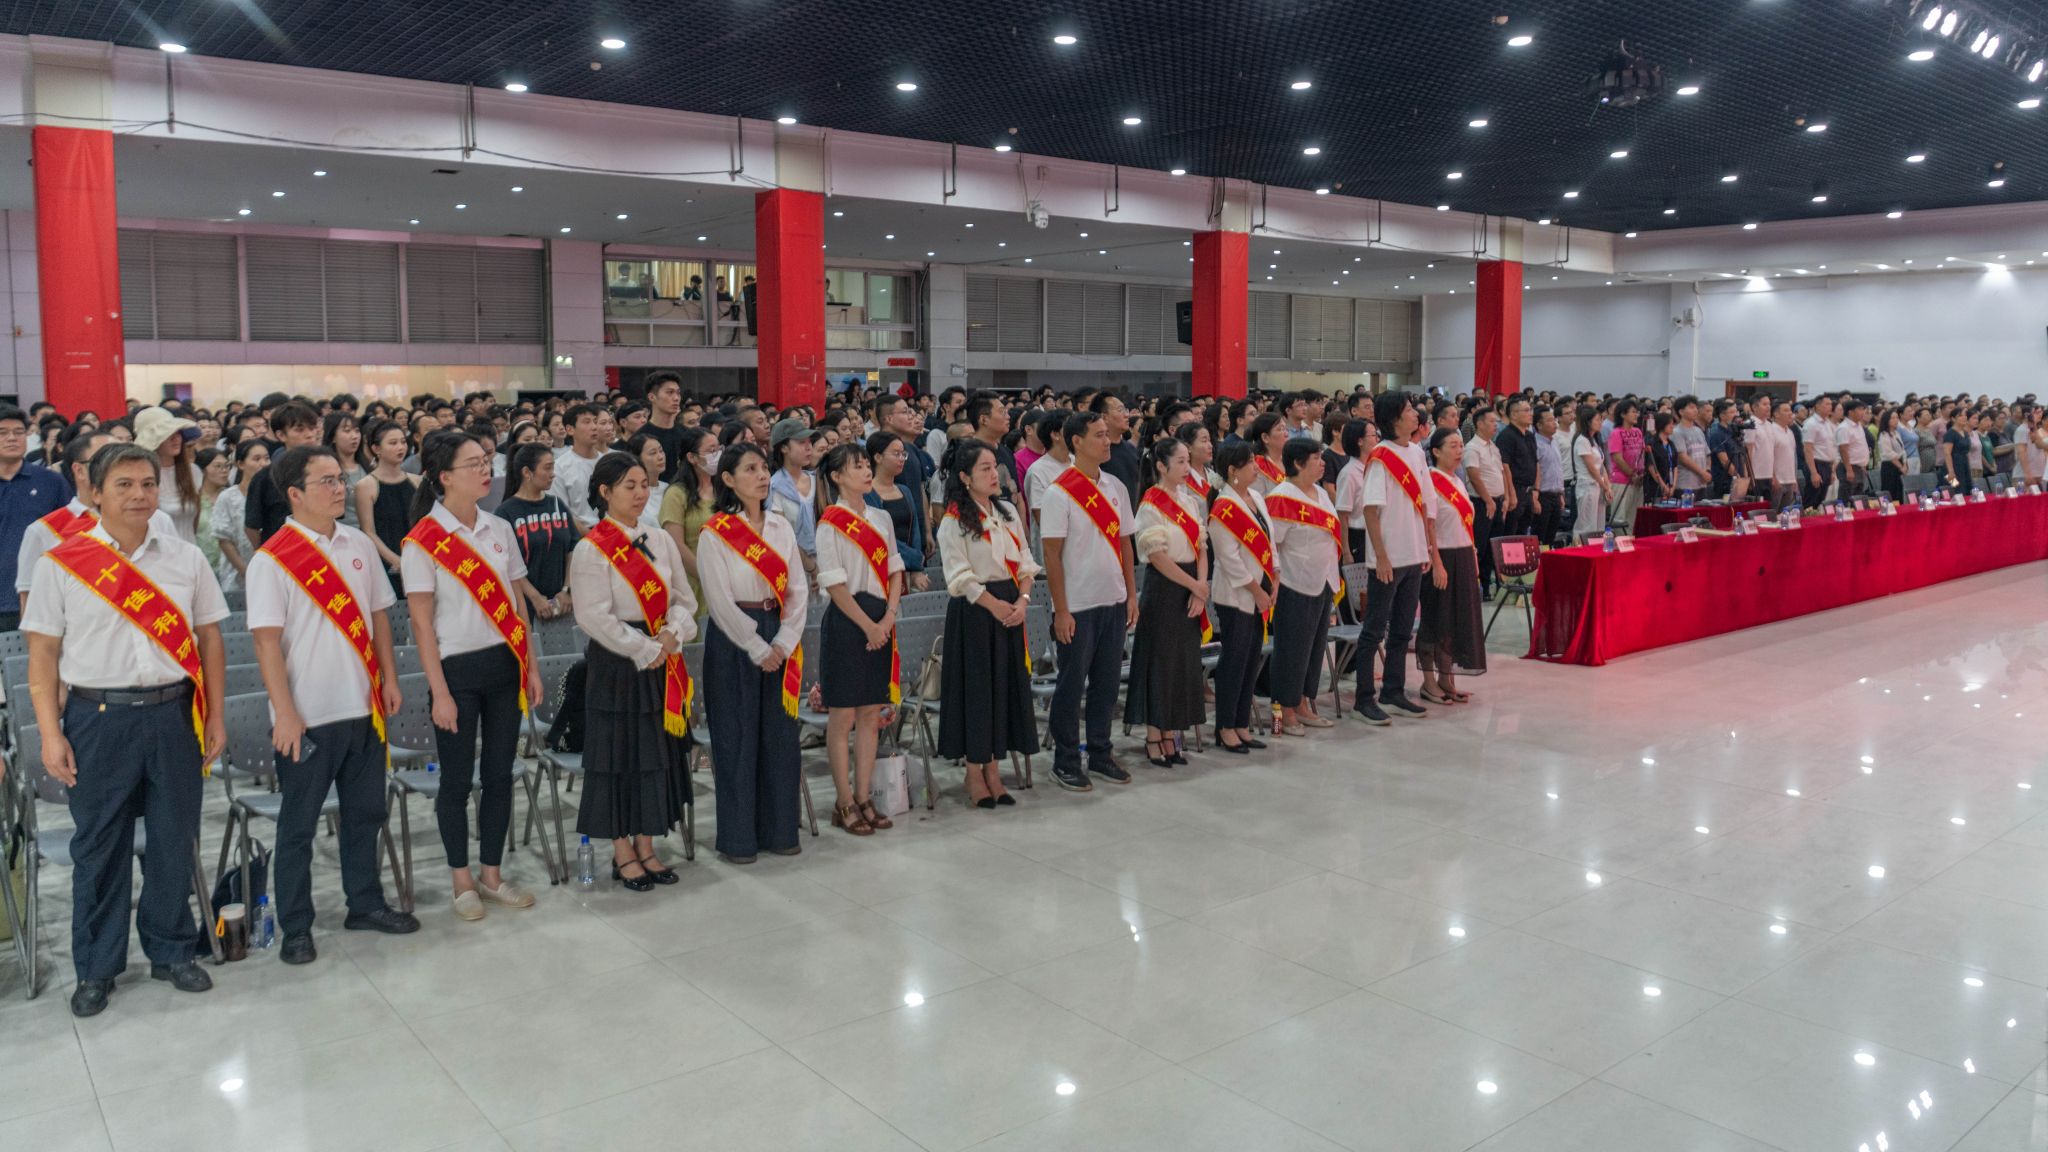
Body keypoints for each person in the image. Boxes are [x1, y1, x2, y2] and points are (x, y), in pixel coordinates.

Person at [24, 443, 229, 1017]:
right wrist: (50, 734)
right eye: (124, 485)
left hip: (174, 714)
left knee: (172, 838)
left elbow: (210, 638)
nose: (140, 494)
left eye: (147, 484)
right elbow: (42, 656)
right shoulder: (62, 564)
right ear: (95, 492)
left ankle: (171, 949)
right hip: (97, 719)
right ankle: (97, 967)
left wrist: (215, 713)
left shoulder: (186, 558)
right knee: (100, 847)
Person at [247, 445, 416, 966]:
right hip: (306, 717)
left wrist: (389, 679)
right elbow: (266, 643)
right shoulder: (272, 559)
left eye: (340, 479)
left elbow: (380, 616)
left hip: (362, 707)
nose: (340, 488)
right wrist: (285, 712)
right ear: (295, 494)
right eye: (326, 481)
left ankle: (364, 903)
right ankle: (297, 926)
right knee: (298, 827)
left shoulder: (357, 543)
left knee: (365, 814)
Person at [403, 432, 545, 920]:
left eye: (486, 461)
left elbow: (517, 603)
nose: (486, 470)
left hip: (504, 664)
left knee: (500, 774)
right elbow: (421, 623)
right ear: (444, 477)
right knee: (457, 780)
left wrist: (530, 665)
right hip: (455, 672)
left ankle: (492, 874)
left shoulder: (498, 527)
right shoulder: (423, 540)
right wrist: (439, 692)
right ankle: (461, 880)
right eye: (473, 464)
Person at [568, 451, 699, 890]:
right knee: (619, 755)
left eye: (644, 484)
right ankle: (622, 851)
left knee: (653, 755)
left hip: (662, 653)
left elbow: (684, 598)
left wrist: (672, 634)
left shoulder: (659, 538)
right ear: (605, 492)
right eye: (630, 486)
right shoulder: (591, 547)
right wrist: (644, 648)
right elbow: (592, 615)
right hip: (618, 662)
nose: (641, 493)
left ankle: (647, 844)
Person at [697, 442, 809, 863]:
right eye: (750, 469)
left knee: (780, 738)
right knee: (737, 739)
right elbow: (719, 601)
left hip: (778, 630)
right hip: (735, 639)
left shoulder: (781, 526)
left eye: (764, 467)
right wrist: (757, 646)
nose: (762, 476)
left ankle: (781, 830)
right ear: (727, 479)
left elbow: (797, 589)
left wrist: (783, 640)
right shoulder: (716, 533)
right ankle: (739, 838)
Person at [1040, 411, 1138, 791]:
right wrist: (1061, 610)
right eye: (1098, 435)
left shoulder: (1116, 486)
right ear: (1076, 441)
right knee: (1071, 685)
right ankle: (1065, 760)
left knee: (1106, 684)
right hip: (1077, 605)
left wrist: (1131, 594)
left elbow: (1125, 544)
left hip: (1112, 599)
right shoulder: (1059, 492)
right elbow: (1051, 555)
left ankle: (1100, 752)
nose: (1107, 440)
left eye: (1106, 434)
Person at [935, 440, 1037, 806]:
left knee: (1003, 690)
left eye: (996, 467)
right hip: (975, 613)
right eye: (985, 468)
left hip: (1011, 607)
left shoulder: (1007, 511)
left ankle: (995, 770)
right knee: (977, 693)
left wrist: (1022, 601)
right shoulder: (953, 520)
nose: (995, 474)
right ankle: (974, 772)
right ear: (965, 477)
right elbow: (960, 576)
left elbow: (1026, 562)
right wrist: (995, 606)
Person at [813, 442, 903, 833]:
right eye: (857, 466)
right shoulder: (830, 522)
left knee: (870, 713)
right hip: (849, 623)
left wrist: (889, 617)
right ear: (836, 476)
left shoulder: (882, 518)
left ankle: (865, 797)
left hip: (882, 618)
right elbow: (833, 584)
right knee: (843, 715)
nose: (867, 471)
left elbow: (896, 569)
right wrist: (869, 626)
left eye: (868, 464)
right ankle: (844, 801)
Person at [1355, 391, 1439, 726]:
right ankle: (1364, 698)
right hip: (1388, 559)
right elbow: (1370, 511)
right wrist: (1381, 556)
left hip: (1413, 554)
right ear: (1393, 419)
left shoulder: (1416, 452)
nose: (1415, 414)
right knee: (1374, 630)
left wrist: (1427, 548)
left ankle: (1393, 691)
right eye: (1408, 410)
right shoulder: (1381, 456)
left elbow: (1425, 506)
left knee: (1403, 631)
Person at [1125, 436, 1209, 766]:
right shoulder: (1150, 504)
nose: (1187, 468)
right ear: (1161, 466)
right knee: (1160, 663)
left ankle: (1173, 731)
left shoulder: (1190, 501)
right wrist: (1194, 585)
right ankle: (1153, 735)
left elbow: (1202, 547)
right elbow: (1157, 557)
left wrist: (1200, 587)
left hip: (1191, 586)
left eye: (1188, 461)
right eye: (1180, 462)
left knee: (1182, 664)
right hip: (1165, 589)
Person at [1263, 438, 1343, 736]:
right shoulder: (1281, 497)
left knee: (1314, 647)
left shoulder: (1320, 493)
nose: (1323, 463)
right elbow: (1272, 547)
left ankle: (1303, 703)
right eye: (1316, 458)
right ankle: (1284, 711)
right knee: (1292, 649)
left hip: (1323, 581)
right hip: (1293, 584)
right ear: (1298, 463)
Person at [1206, 442, 1274, 755]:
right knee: (1234, 661)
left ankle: (1242, 723)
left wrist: (1275, 578)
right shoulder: (1223, 507)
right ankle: (1225, 727)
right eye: (1249, 463)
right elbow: (1229, 559)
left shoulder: (1256, 498)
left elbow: (1269, 542)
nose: (1256, 468)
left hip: (1261, 591)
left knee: (1250, 660)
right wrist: (1257, 590)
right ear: (1233, 470)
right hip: (1236, 596)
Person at [1418, 429, 1486, 704]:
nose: (1459, 451)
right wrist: (1436, 562)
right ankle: (1428, 682)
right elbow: (1429, 525)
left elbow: (1464, 524)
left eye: (1461, 446)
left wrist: (1473, 555)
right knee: (1435, 620)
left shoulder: (1457, 480)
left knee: (1455, 621)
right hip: (1442, 557)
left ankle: (1447, 679)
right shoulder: (1431, 480)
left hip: (1463, 555)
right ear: (1436, 451)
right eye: (1453, 446)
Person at [0, 405, 72, 630]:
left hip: (40, 597)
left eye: (18, 432)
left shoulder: (51, 482)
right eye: (3, 433)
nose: (12, 438)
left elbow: (71, 537)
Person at [494, 443, 579, 621]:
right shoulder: (505, 513)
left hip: (562, 605)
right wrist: (534, 597)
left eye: (553, 467)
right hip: (525, 608)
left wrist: (567, 590)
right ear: (527, 472)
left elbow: (572, 549)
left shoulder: (557, 505)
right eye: (547, 468)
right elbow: (506, 564)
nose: (553, 474)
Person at [243, 402, 323, 549]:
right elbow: (252, 527)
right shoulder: (264, 478)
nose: (309, 435)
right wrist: (267, 552)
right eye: (300, 429)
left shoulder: (326, 471)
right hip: (281, 552)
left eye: (312, 428)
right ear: (281, 435)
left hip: (322, 550)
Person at [657, 426, 720, 616]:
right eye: (711, 451)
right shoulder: (677, 494)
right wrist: (706, 577)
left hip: (726, 577)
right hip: (694, 579)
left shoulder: (724, 488)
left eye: (719, 449)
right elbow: (676, 544)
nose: (717, 455)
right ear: (692, 457)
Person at [354, 419, 420, 594]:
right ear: (376, 449)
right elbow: (368, 531)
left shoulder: (416, 481)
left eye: (403, 442)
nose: (400, 447)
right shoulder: (366, 485)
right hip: (385, 564)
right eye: (393, 443)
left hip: (417, 560)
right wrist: (396, 561)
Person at [864, 432, 928, 588]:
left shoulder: (904, 490)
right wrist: (915, 559)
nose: (902, 459)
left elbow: (915, 532)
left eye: (903, 454)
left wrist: (917, 569)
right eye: (896, 454)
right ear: (878, 457)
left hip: (908, 568)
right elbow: (881, 537)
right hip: (882, 567)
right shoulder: (867, 493)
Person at [134, 407, 203, 545]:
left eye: (178, 433)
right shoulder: (141, 476)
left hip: (190, 548)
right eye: (168, 434)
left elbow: (195, 519)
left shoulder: (193, 471)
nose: (175, 439)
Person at [1464, 407, 1509, 596]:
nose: (1495, 425)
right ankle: (1478, 586)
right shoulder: (1472, 448)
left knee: (1494, 546)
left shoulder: (1493, 446)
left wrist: (1506, 498)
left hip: (1497, 502)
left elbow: (1501, 473)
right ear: (1480, 424)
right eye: (1491, 421)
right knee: (1481, 546)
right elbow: (1474, 476)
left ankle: (1492, 584)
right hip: (1482, 503)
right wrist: (1489, 500)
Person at [550, 403, 609, 530]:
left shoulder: (608, 462)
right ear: (570, 429)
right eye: (587, 422)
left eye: (595, 421)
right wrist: (591, 536)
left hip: (613, 529)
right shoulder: (560, 467)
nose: (594, 427)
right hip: (580, 533)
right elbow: (562, 513)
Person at [1570, 405, 1613, 541]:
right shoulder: (1582, 440)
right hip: (1587, 485)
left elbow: (1601, 465)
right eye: (1597, 420)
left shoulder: (1594, 439)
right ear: (1588, 422)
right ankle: (1580, 549)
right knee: (1586, 524)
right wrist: (1604, 486)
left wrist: (1607, 486)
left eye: (1601, 420)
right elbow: (1592, 468)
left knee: (1598, 524)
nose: (1600, 423)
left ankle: (1597, 548)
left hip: (1598, 485)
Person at [1605, 399, 1646, 529]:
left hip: (1638, 481)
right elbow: (1617, 458)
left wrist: (1640, 474)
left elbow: (1642, 454)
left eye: (1637, 412)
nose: (1636, 415)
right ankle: (1620, 540)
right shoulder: (1616, 433)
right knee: (1620, 517)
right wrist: (1632, 475)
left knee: (1633, 517)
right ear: (1623, 414)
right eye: (1633, 412)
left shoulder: (1638, 431)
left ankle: (1630, 540)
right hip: (1622, 481)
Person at [642, 375, 689, 482]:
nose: (676, 398)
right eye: (669, 392)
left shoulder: (686, 433)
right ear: (652, 397)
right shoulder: (641, 437)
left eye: (678, 393)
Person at [1532, 406, 1566, 547]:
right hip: (1542, 496)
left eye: (1554, 420)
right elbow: (1534, 472)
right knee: (1539, 536)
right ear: (1539, 425)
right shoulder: (1535, 444)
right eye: (1550, 420)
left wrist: (1560, 494)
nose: (1555, 423)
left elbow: (1557, 470)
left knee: (1550, 537)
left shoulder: (1554, 442)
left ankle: (1548, 558)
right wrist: (1535, 498)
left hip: (1555, 496)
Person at [1837, 399, 1871, 498]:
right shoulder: (1844, 428)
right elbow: (1843, 450)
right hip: (1849, 467)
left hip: (1859, 467)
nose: (1863, 412)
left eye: (1863, 409)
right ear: (1850, 412)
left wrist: (1863, 465)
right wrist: (1849, 469)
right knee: (1846, 497)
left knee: (1858, 499)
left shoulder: (1858, 425)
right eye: (1860, 409)